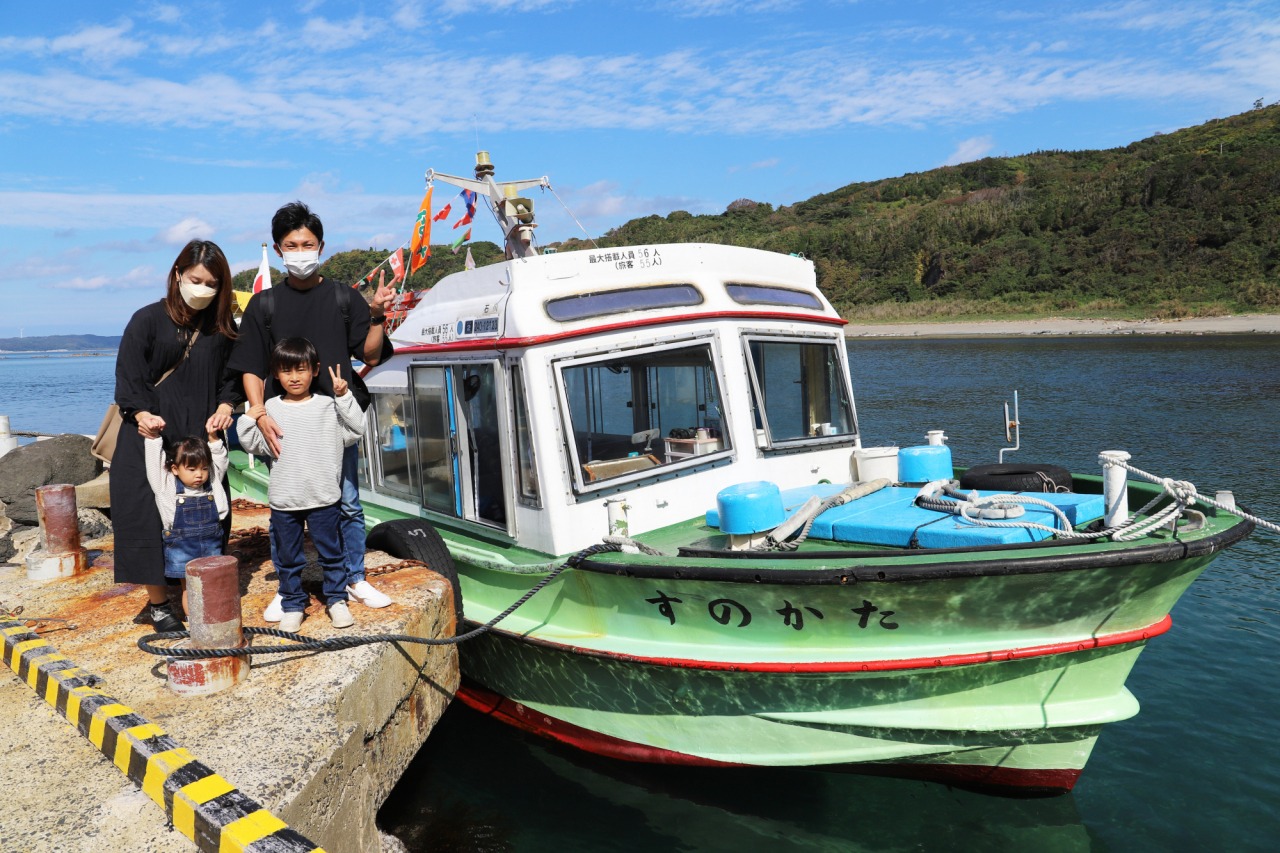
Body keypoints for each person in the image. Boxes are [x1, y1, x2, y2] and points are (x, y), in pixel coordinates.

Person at [229, 202, 395, 621]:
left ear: (320, 246)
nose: (300, 252)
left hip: (335, 420)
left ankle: (353, 578)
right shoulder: (264, 304)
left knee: (348, 503)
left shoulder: (343, 297)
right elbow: (250, 366)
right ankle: (289, 590)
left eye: (307, 244)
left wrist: (377, 315)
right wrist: (258, 412)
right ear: (278, 249)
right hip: (283, 424)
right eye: (291, 245)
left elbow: (370, 353)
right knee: (286, 511)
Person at [111, 239, 241, 633]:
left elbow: (232, 377)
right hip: (148, 435)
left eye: (212, 284)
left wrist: (226, 406)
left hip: (199, 439)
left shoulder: (222, 328)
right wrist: (140, 413)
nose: (202, 289)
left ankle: (197, 594)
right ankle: (158, 604)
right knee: (145, 517)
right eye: (195, 280)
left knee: (203, 518)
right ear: (178, 274)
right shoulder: (146, 320)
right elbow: (128, 377)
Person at [236, 338, 366, 632]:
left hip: (324, 497)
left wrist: (344, 396)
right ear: (276, 374)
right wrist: (250, 416)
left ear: (315, 370)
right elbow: (254, 444)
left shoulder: (329, 405)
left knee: (332, 554)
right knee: (287, 558)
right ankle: (293, 604)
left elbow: (356, 431)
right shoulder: (270, 408)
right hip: (285, 500)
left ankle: (336, 599)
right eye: (286, 371)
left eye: (301, 369)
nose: (294, 377)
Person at [144, 431, 229, 614]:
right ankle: (195, 624)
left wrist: (214, 439)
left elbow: (220, 460)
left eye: (204, 468)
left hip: (211, 543)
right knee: (190, 588)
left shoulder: (213, 481)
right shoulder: (165, 486)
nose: (199, 475)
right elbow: (153, 464)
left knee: (213, 585)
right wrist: (154, 438)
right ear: (175, 469)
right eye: (191, 470)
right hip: (182, 546)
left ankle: (214, 620)